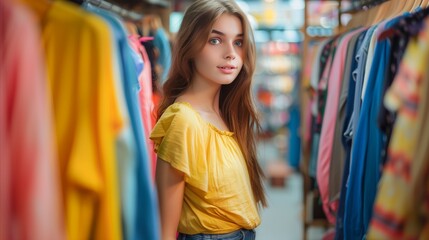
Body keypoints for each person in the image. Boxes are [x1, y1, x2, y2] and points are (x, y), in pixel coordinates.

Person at [149, 0, 267, 239]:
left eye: (238, 42)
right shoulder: (184, 120)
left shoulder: (228, 114)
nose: (231, 54)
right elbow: (164, 230)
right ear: (190, 45)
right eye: (215, 40)